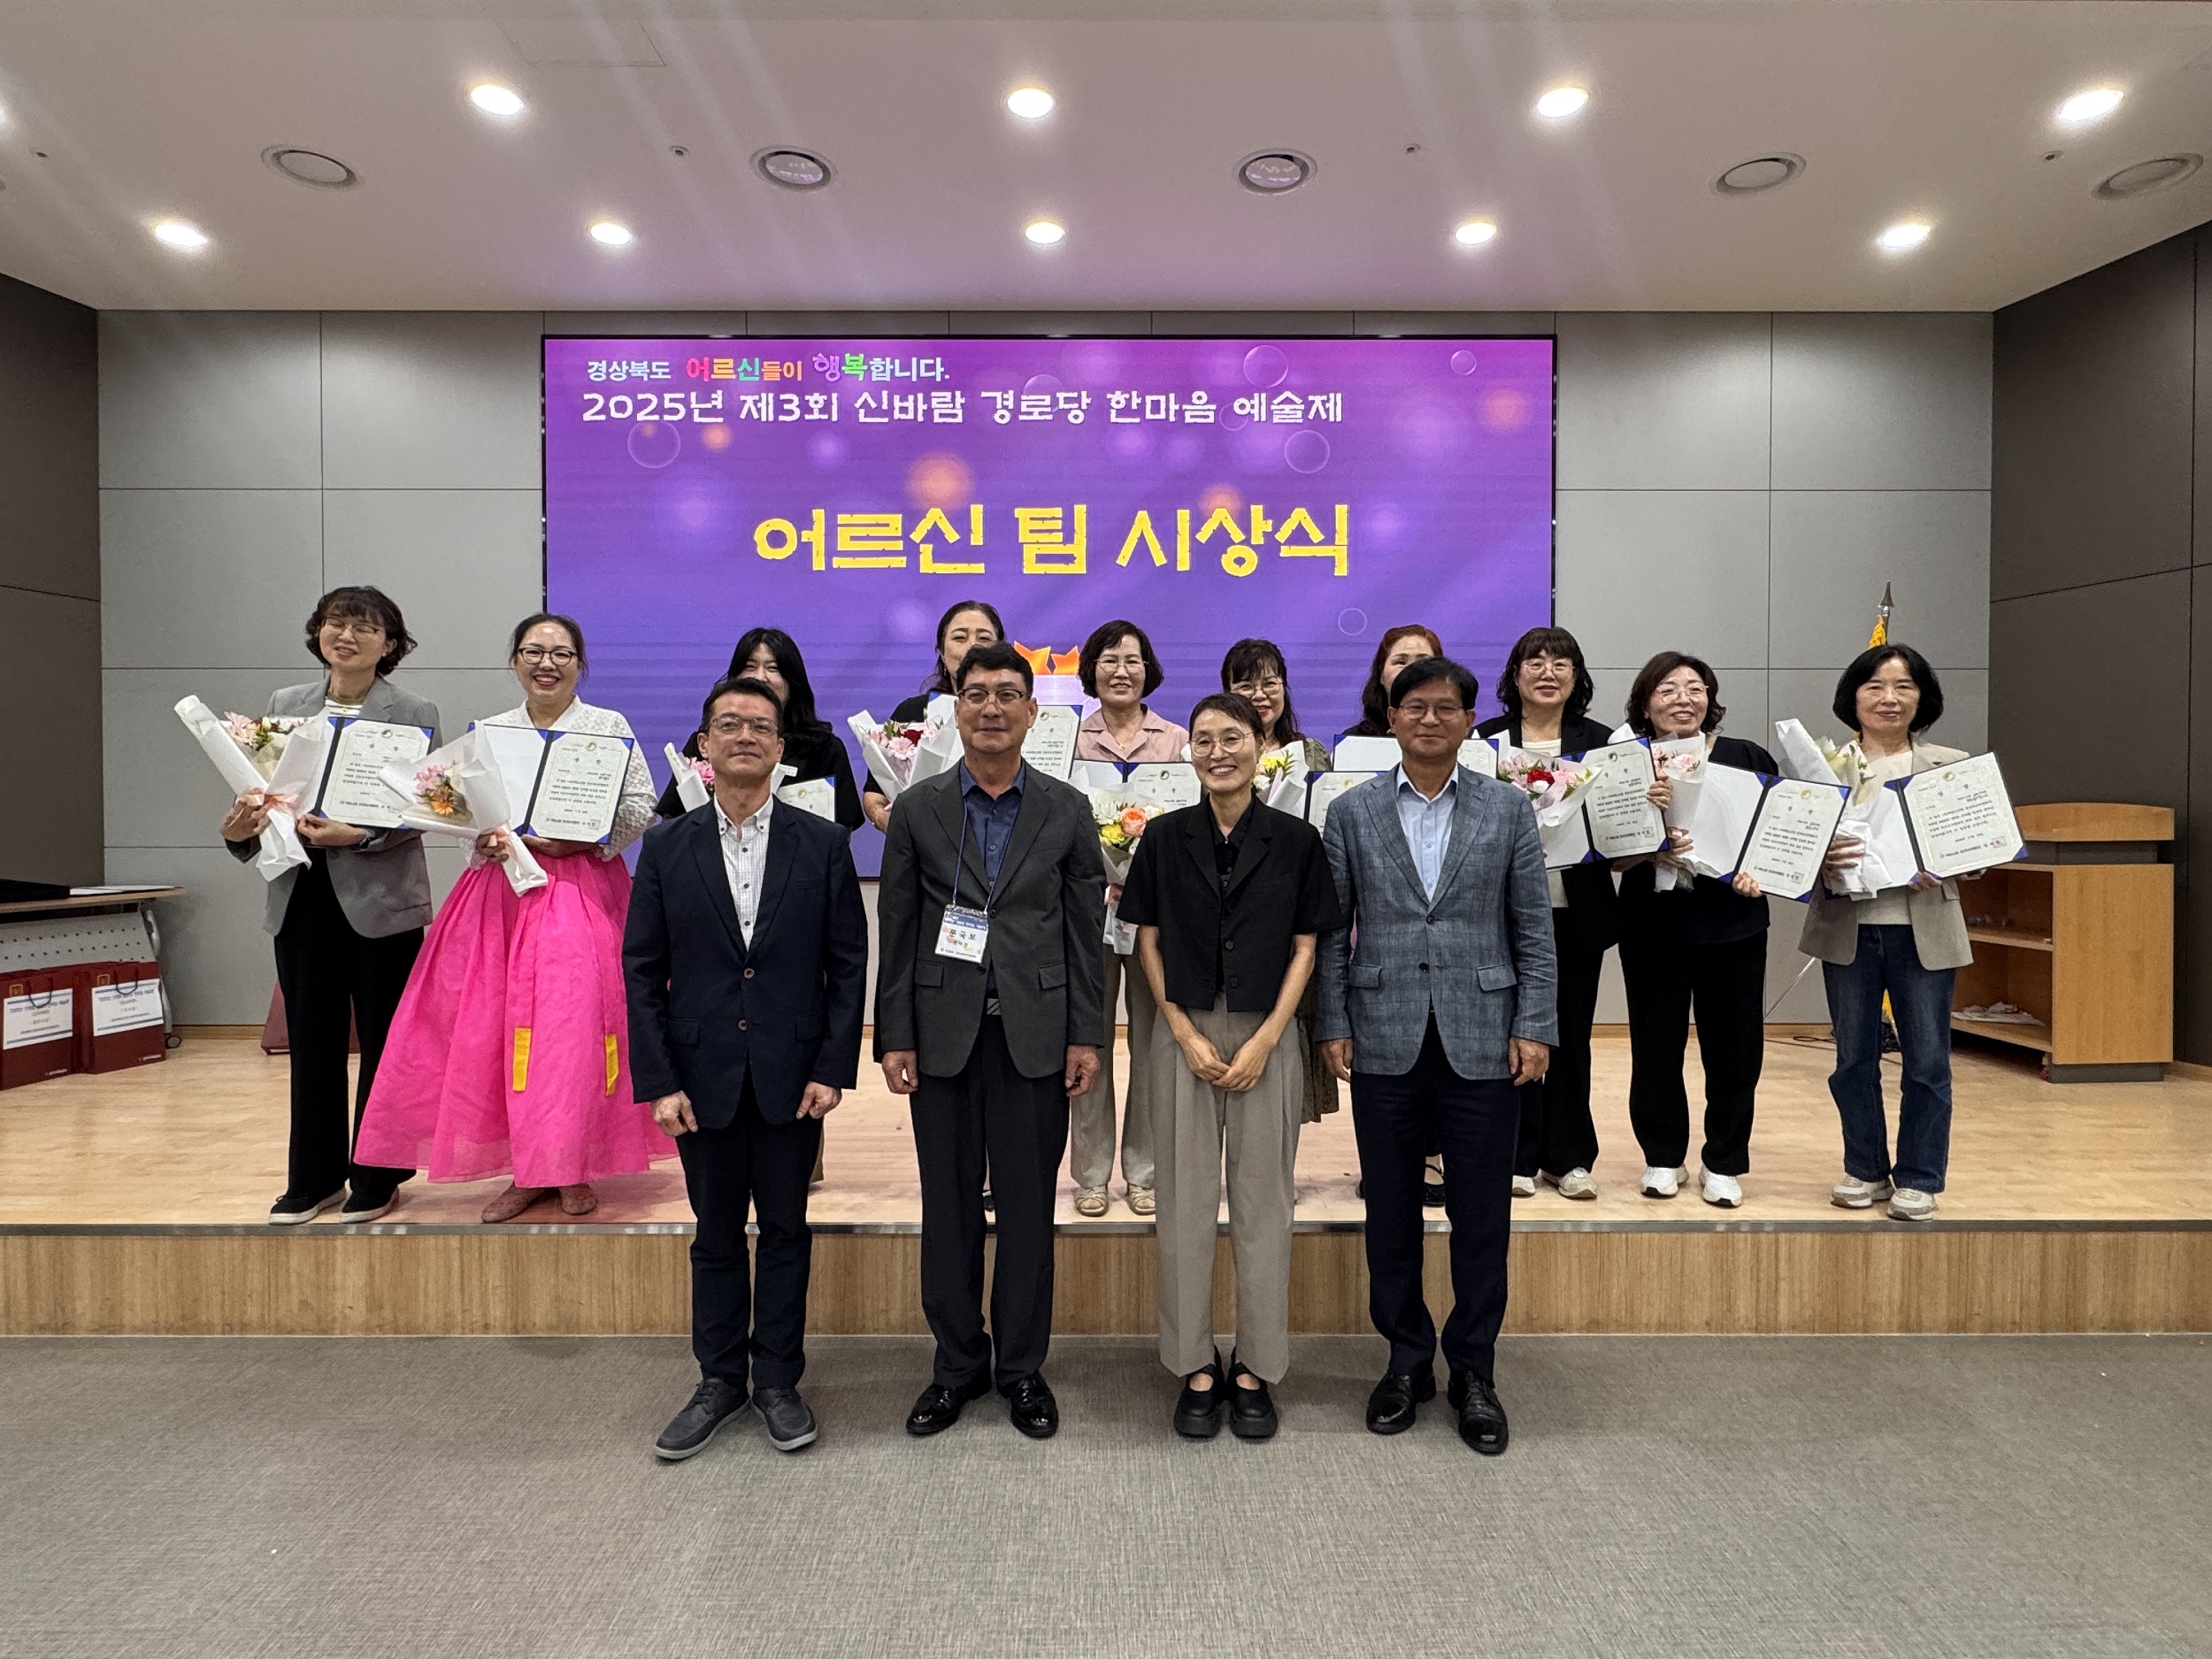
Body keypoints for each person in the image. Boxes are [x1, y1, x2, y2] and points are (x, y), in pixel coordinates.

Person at [1315, 656, 1556, 1455]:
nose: (1428, 719)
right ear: (1390, 717)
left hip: (1484, 1033)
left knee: (1481, 1214)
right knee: (1390, 1211)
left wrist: (1535, 1023)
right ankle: (1406, 1359)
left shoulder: (1508, 807)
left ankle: (1475, 1371)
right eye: (1413, 706)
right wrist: (1333, 1020)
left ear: (1468, 719)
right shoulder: (1350, 812)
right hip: (1382, 1030)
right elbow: (1332, 933)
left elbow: (1532, 926)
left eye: (1445, 707)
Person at [625, 674, 868, 1458]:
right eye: (729, 723)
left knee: (788, 1230)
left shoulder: (822, 843)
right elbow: (642, 968)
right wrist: (660, 1080)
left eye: (761, 725)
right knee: (717, 1234)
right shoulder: (667, 845)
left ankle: (778, 1382)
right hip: (702, 1078)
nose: (745, 736)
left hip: (793, 1075)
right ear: (704, 744)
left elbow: (846, 963)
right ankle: (719, 1379)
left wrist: (832, 1066)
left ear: (781, 747)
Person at [356, 613, 667, 1222]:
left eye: (561, 653)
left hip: (580, 890)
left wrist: (587, 839)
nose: (546, 664)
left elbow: (639, 806)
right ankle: (526, 1169)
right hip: (500, 897)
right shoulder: (491, 733)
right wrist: (481, 838)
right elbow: (462, 814)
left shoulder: (608, 727)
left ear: (580, 663)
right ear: (515, 661)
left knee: (573, 1033)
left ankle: (571, 1165)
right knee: (495, 1034)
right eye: (533, 651)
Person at [875, 641, 1106, 1441]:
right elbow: (898, 925)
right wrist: (894, 1033)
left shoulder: (1066, 809)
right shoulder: (918, 808)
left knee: (1028, 1212)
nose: (992, 708)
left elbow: (1083, 933)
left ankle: (1021, 1369)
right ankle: (956, 1365)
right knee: (948, 1211)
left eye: (1009, 694)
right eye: (977, 694)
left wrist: (1088, 1033)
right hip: (942, 1035)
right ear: (955, 709)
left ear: (1033, 712)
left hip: (1035, 1037)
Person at [1119, 692, 1341, 1440]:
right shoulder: (1163, 837)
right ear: (1189, 752)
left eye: (1233, 737)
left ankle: (1255, 1364)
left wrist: (1268, 1039)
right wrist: (1182, 1033)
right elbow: (1147, 940)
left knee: (1263, 1203)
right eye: (1205, 739)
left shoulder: (1296, 839)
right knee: (1182, 1204)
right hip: (1182, 1030)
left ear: (1260, 745)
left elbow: (1307, 946)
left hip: (1265, 1035)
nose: (1219, 752)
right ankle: (1194, 1363)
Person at [219, 586, 439, 1225]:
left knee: (384, 1043)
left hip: (382, 899)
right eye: (336, 623)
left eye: (365, 627)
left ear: (390, 644)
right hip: (300, 891)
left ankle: (378, 1173)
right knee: (311, 1042)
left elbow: (426, 807)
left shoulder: (414, 710)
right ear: (318, 632)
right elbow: (263, 794)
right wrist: (241, 827)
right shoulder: (284, 706)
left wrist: (359, 834)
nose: (347, 635)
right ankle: (312, 1178)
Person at [1801, 646, 1972, 1223]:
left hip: (1924, 928)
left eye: (1903, 686)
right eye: (1875, 686)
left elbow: (1979, 848)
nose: (1889, 698)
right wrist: (1821, 858)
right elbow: (1792, 847)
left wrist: (1950, 860)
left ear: (1923, 698)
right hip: (1847, 930)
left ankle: (1920, 1177)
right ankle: (1865, 1167)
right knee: (1853, 1059)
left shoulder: (1950, 765)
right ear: (1853, 697)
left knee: (1927, 1062)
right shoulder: (1824, 768)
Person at [1613, 652, 1778, 1209]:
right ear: (1645, 704)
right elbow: (1609, 853)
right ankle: (1662, 1156)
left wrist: (1762, 872)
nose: (1683, 699)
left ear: (1710, 698)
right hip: (1652, 926)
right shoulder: (1628, 762)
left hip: (1734, 924)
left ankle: (1724, 1161)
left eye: (1695, 688)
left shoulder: (1745, 757)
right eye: (1667, 689)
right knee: (1655, 1047)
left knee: (1735, 1050)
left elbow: (1775, 833)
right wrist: (1648, 836)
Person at [1476, 626, 1623, 1202]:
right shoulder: (1486, 742)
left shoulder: (1604, 743)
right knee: (1507, 1035)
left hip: (1575, 911)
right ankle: (1516, 1152)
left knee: (1571, 1037)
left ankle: (1569, 1157)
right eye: (1534, 661)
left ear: (1576, 676)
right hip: (1500, 914)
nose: (1547, 671)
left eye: (1561, 662)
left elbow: (1621, 827)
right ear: (1515, 675)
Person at [1071, 618, 1187, 1218]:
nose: (1121, 670)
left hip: (1156, 921)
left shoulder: (1178, 739)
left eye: (1132, 660)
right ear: (1091, 669)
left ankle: (1145, 1171)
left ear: (1149, 669)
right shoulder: (1068, 737)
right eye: (1109, 659)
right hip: (1087, 912)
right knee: (1087, 1041)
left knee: (1153, 1044)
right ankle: (1090, 1173)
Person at [1221, 636, 1339, 1127]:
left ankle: (1281, 1141)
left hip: (1293, 908)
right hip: (1227, 913)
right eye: (1245, 684)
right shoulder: (1215, 752)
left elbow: (1329, 826)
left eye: (1270, 683)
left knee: (1292, 1019)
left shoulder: (1310, 753)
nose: (1260, 694)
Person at [656, 627, 863, 832]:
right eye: (750, 667)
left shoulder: (825, 748)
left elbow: (841, 832)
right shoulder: (712, 741)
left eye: (773, 668)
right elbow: (672, 821)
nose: (760, 677)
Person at [860, 599, 1006, 834]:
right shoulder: (911, 712)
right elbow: (875, 794)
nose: (972, 647)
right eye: (960, 638)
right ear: (942, 652)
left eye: (984, 638)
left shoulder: (1015, 713)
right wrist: (885, 819)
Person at [1343, 625, 1444, 739]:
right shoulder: (1353, 741)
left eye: (1423, 662)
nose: (1411, 670)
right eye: (1401, 662)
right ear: (1381, 674)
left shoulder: (1457, 738)